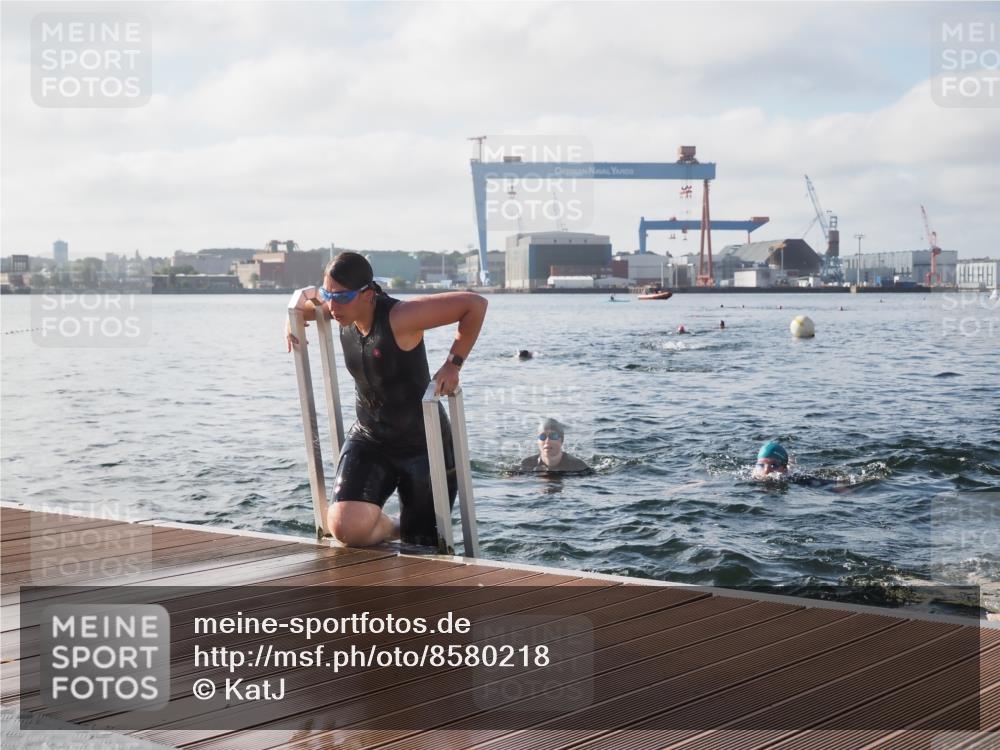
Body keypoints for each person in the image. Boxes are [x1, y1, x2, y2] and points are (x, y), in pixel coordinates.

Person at [286, 252, 488, 547]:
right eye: (328, 294)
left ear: (368, 294)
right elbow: (303, 308)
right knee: (343, 526)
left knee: (423, 544)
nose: (331, 305)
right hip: (371, 437)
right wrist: (290, 320)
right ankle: (391, 526)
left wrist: (453, 364)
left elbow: (475, 304)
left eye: (341, 296)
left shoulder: (401, 317)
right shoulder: (343, 311)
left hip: (422, 443)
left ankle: (408, 528)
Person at [518, 418, 592, 474]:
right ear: (538, 441)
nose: (547, 441)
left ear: (562, 440)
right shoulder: (526, 465)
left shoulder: (578, 467)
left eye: (553, 436)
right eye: (542, 437)